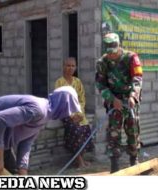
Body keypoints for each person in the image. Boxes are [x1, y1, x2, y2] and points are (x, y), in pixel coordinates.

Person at [0, 86, 81, 175]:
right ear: (63, 105)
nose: (69, 114)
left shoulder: (45, 116)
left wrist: (23, 169)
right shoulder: (38, 109)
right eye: (69, 109)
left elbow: (26, 143)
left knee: (15, 175)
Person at [95, 32, 143, 173]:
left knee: (132, 129)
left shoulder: (131, 58)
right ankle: (114, 165)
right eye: (109, 54)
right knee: (114, 132)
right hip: (114, 101)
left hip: (129, 100)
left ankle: (134, 160)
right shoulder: (102, 63)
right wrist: (111, 99)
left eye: (114, 53)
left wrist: (133, 96)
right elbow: (100, 85)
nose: (112, 56)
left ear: (119, 47)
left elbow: (138, 78)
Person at [55, 57, 94, 168]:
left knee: (85, 129)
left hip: (78, 113)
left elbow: (82, 99)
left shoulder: (78, 82)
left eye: (73, 66)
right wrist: (72, 116)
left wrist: (80, 114)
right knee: (75, 130)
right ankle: (80, 162)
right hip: (66, 113)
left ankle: (81, 159)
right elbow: (61, 102)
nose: (70, 68)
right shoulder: (59, 82)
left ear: (75, 67)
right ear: (63, 67)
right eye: (68, 65)